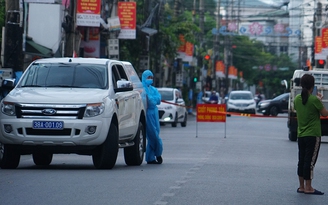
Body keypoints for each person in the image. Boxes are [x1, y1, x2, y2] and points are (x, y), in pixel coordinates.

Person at [294, 74, 328, 195]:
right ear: (312, 86)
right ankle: (309, 187)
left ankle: (301, 186)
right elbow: (325, 114)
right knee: (310, 161)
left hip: (301, 134)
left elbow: (299, 107)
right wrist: (319, 100)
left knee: (302, 160)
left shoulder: (297, 99)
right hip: (313, 135)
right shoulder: (314, 100)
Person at [141, 70, 163, 164]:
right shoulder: (142, 89)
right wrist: (153, 99)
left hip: (155, 112)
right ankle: (158, 153)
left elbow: (158, 100)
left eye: (151, 77)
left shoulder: (153, 89)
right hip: (148, 113)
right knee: (153, 135)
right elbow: (150, 101)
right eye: (148, 77)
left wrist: (152, 99)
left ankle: (150, 158)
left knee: (156, 133)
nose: (150, 79)